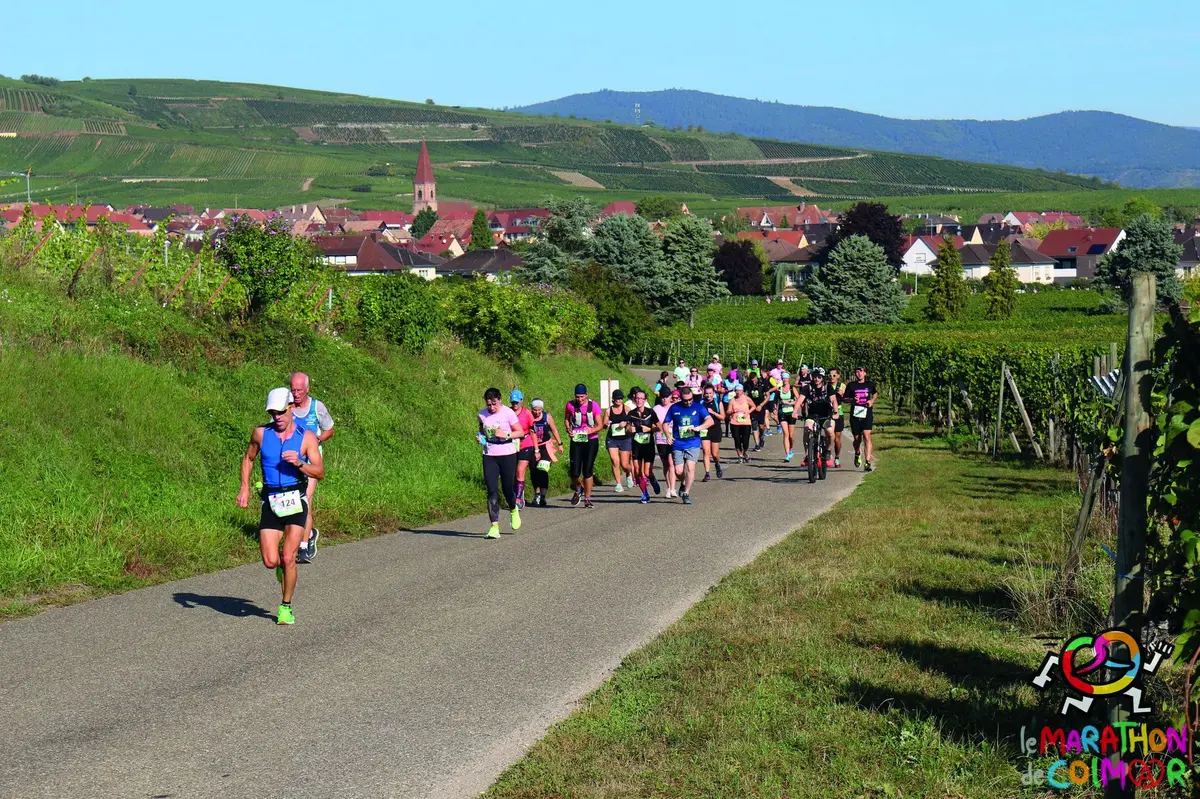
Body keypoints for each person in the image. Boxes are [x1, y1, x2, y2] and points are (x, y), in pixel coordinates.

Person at [237, 387, 325, 625]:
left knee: (289, 557)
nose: (277, 417)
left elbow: (320, 471)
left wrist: (300, 463)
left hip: (296, 500)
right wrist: (245, 487)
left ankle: (285, 606)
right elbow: (248, 458)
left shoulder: (305, 437)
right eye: (272, 412)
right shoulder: (260, 434)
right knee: (270, 560)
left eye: (280, 412)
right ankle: (282, 571)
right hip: (271, 501)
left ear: (290, 409)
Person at [289, 372, 334, 565]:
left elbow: (329, 429)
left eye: (299, 390)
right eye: (293, 390)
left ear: (307, 389)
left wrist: (318, 439)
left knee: (305, 500)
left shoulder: (317, 407)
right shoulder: (287, 406)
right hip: (290, 460)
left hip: (311, 461)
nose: (296, 394)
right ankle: (298, 536)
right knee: (290, 500)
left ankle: (304, 546)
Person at [477, 388, 524, 538]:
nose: (491, 408)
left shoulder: (508, 413)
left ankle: (513, 508)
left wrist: (506, 434)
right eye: (489, 404)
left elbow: (520, 432)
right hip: (489, 454)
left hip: (507, 454)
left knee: (507, 488)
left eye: (494, 404)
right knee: (491, 490)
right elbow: (481, 431)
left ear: (500, 400)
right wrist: (480, 438)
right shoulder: (482, 414)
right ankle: (494, 527)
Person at [660, 385, 713, 505]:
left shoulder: (698, 407)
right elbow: (665, 423)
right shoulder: (674, 408)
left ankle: (686, 493)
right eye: (685, 400)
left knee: (690, 468)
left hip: (693, 442)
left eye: (690, 399)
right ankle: (683, 483)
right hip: (678, 443)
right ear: (680, 399)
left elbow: (710, 421)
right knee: (678, 471)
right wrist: (668, 435)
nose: (688, 402)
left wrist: (698, 428)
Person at [565, 384, 603, 508]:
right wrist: (568, 429)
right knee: (575, 472)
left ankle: (587, 498)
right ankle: (578, 489)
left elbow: (600, 425)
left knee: (587, 470)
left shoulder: (594, 406)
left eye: (582, 396)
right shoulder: (570, 405)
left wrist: (590, 431)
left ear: (587, 395)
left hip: (591, 440)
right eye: (577, 397)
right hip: (576, 440)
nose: (580, 399)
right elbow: (566, 419)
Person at [627, 387, 661, 503]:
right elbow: (627, 427)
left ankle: (652, 479)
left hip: (648, 445)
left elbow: (659, 427)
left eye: (641, 398)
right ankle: (645, 494)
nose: (639, 400)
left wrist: (650, 429)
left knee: (647, 472)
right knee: (637, 471)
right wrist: (629, 429)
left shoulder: (650, 412)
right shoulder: (631, 414)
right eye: (637, 398)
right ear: (634, 399)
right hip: (636, 445)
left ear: (645, 399)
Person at [801, 368, 839, 468]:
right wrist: (795, 412)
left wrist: (836, 412)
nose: (816, 379)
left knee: (830, 432)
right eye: (814, 377)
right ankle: (807, 455)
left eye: (819, 377)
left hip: (826, 416)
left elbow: (834, 400)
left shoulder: (828, 387)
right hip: (812, 416)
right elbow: (800, 400)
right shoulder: (808, 387)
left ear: (822, 378)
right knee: (806, 430)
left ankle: (828, 450)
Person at [527, 399, 561, 507]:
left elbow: (554, 430)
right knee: (534, 472)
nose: (537, 412)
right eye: (534, 410)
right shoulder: (529, 417)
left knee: (542, 470)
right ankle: (536, 493)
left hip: (546, 447)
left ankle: (543, 496)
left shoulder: (547, 417)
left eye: (539, 410)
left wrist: (560, 443)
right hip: (532, 447)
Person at [846, 366, 879, 472]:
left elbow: (875, 394)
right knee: (857, 439)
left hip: (867, 413)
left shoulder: (870, 384)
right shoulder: (851, 385)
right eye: (857, 371)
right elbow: (845, 398)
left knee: (866, 435)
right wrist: (852, 400)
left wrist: (872, 401)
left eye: (861, 371)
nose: (859, 373)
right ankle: (857, 452)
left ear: (865, 373)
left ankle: (867, 462)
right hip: (855, 414)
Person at [603, 389, 634, 493]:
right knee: (615, 461)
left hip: (625, 439)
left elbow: (632, 422)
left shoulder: (627, 409)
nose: (619, 400)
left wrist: (626, 423)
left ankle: (629, 474)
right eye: (617, 399)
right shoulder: (608, 410)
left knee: (625, 464)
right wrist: (606, 423)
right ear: (613, 399)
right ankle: (619, 484)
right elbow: (603, 424)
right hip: (612, 439)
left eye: (620, 398)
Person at [509, 389, 536, 508]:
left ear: (521, 400)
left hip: (526, 444)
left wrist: (536, 449)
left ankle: (518, 499)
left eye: (517, 402)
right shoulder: (507, 412)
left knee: (520, 471)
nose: (515, 405)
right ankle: (518, 492)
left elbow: (533, 431)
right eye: (513, 402)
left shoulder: (527, 413)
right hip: (511, 445)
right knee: (512, 473)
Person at [654, 388, 677, 498]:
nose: (664, 399)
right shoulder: (656, 409)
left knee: (672, 463)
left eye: (666, 397)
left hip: (673, 438)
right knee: (665, 464)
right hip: (660, 439)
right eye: (662, 397)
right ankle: (668, 487)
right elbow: (652, 423)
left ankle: (673, 488)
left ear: (670, 397)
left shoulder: (675, 407)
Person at [700, 384, 725, 481]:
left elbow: (723, 417)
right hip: (704, 430)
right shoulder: (700, 403)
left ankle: (717, 464)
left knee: (715, 454)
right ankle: (707, 473)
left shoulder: (718, 402)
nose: (708, 395)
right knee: (706, 452)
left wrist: (713, 413)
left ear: (713, 393)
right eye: (706, 393)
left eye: (710, 393)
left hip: (715, 429)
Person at [727, 382, 756, 463]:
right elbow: (728, 412)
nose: (738, 392)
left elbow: (754, 406)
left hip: (745, 422)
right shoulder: (732, 400)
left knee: (745, 440)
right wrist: (732, 411)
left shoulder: (747, 398)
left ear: (743, 391)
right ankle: (740, 456)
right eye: (736, 390)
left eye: (739, 391)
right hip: (735, 422)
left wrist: (748, 412)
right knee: (737, 439)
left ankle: (744, 452)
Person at [776, 372, 798, 462]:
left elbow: (798, 400)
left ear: (789, 379)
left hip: (791, 413)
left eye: (786, 378)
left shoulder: (793, 389)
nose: (785, 380)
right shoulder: (779, 389)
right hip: (782, 413)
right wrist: (774, 409)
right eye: (783, 378)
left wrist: (789, 403)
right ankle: (787, 454)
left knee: (791, 435)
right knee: (786, 434)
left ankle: (791, 448)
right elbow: (776, 401)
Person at [829, 367, 848, 468]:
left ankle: (837, 457)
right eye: (830, 375)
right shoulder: (826, 386)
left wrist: (842, 394)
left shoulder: (841, 386)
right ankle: (827, 454)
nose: (832, 377)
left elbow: (844, 396)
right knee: (829, 435)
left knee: (837, 438)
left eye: (834, 375)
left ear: (838, 376)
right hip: (828, 413)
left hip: (838, 413)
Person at [745, 372, 769, 451]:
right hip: (752, 407)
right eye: (752, 381)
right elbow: (743, 393)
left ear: (756, 378)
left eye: (755, 380)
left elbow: (767, 396)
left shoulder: (763, 383)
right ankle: (757, 444)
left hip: (761, 406)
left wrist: (761, 405)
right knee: (754, 425)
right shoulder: (747, 384)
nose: (754, 382)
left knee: (761, 426)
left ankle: (761, 437)